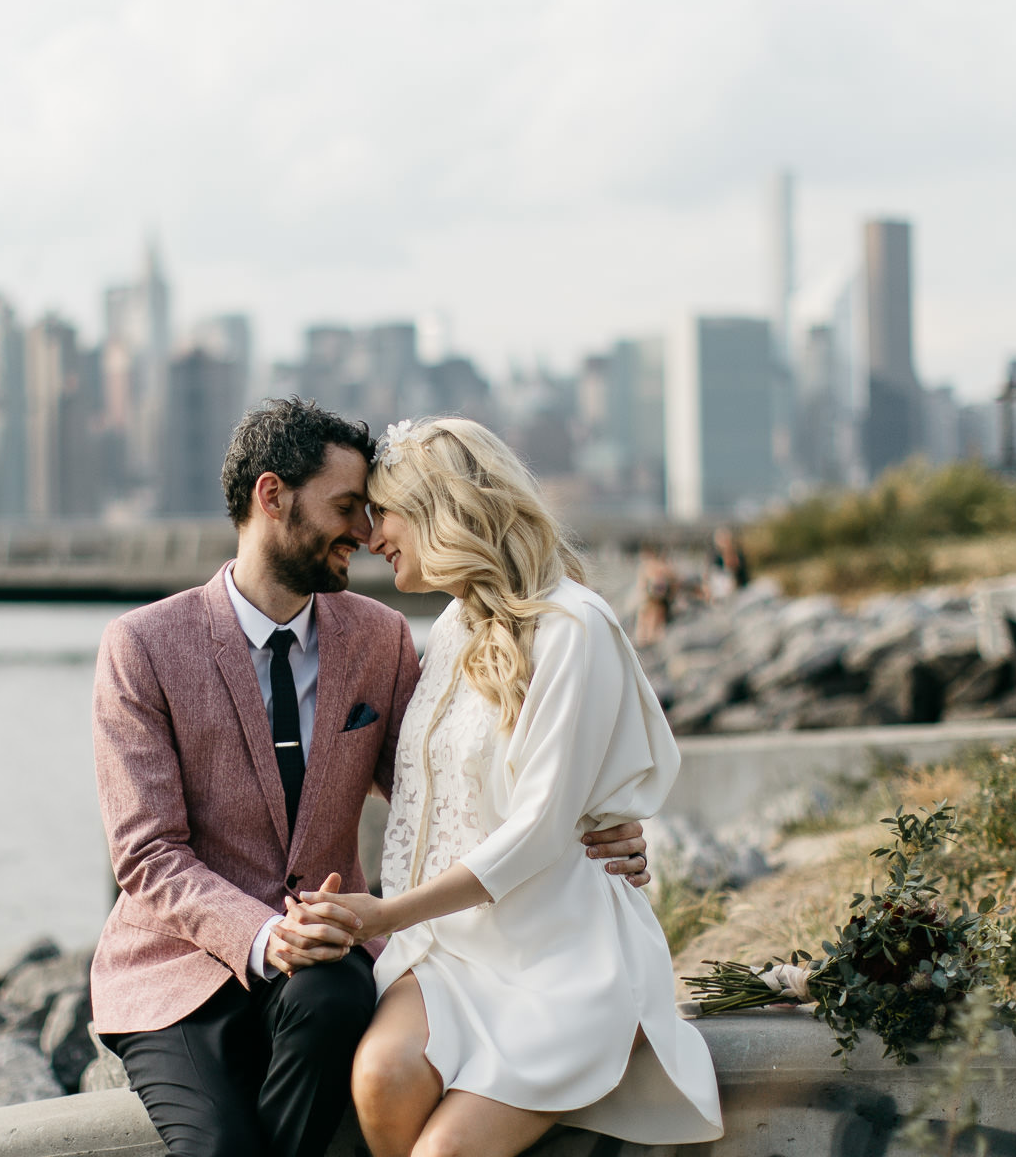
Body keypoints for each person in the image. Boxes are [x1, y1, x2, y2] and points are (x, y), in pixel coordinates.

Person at [88, 398, 654, 1157]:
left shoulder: (381, 638)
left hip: (326, 965)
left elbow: (437, 778)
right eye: (347, 506)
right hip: (176, 970)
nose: (362, 531)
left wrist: (592, 820)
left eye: (372, 510)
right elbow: (147, 854)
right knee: (220, 1147)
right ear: (272, 496)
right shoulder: (142, 646)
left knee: (336, 1003)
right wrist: (266, 935)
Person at [301, 417, 723, 1157]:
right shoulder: (453, 629)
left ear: (444, 510)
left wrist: (381, 914)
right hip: (448, 950)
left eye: (383, 512)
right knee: (380, 1078)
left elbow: (537, 830)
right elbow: (423, 786)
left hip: (559, 958)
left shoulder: (574, 628)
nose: (370, 536)